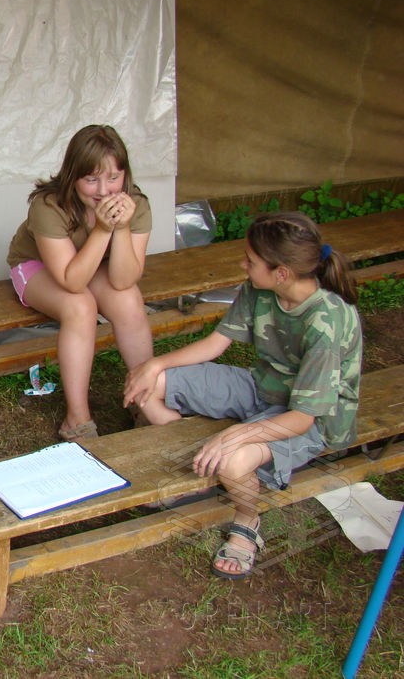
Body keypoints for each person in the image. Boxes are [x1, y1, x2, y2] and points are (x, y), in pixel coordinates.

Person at [123, 211, 362, 580]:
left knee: (234, 461)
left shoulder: (326, 322)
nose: (243, 265)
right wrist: (155, 365)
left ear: (281, 273)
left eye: (250, 261)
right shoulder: (261, 289)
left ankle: (247, 520)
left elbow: (303, 417)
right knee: (148, 383)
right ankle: (195, 468)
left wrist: (237, 435)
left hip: (313, 419)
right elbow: (216, 344)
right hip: (261, 387)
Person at [7, 124, 153, 441]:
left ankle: (146, 399)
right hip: (38, 266)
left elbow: (124, 279)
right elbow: (72, 281)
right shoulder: (49, 205)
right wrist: (103, 229)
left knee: (129, 300)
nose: (104, 190)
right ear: (72, 175)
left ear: (125, 174)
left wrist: (121, 227)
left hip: (94, 264)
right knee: (81, 306)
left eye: (113, 177)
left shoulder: (136, 204)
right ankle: (77, 419)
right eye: (91, 179)